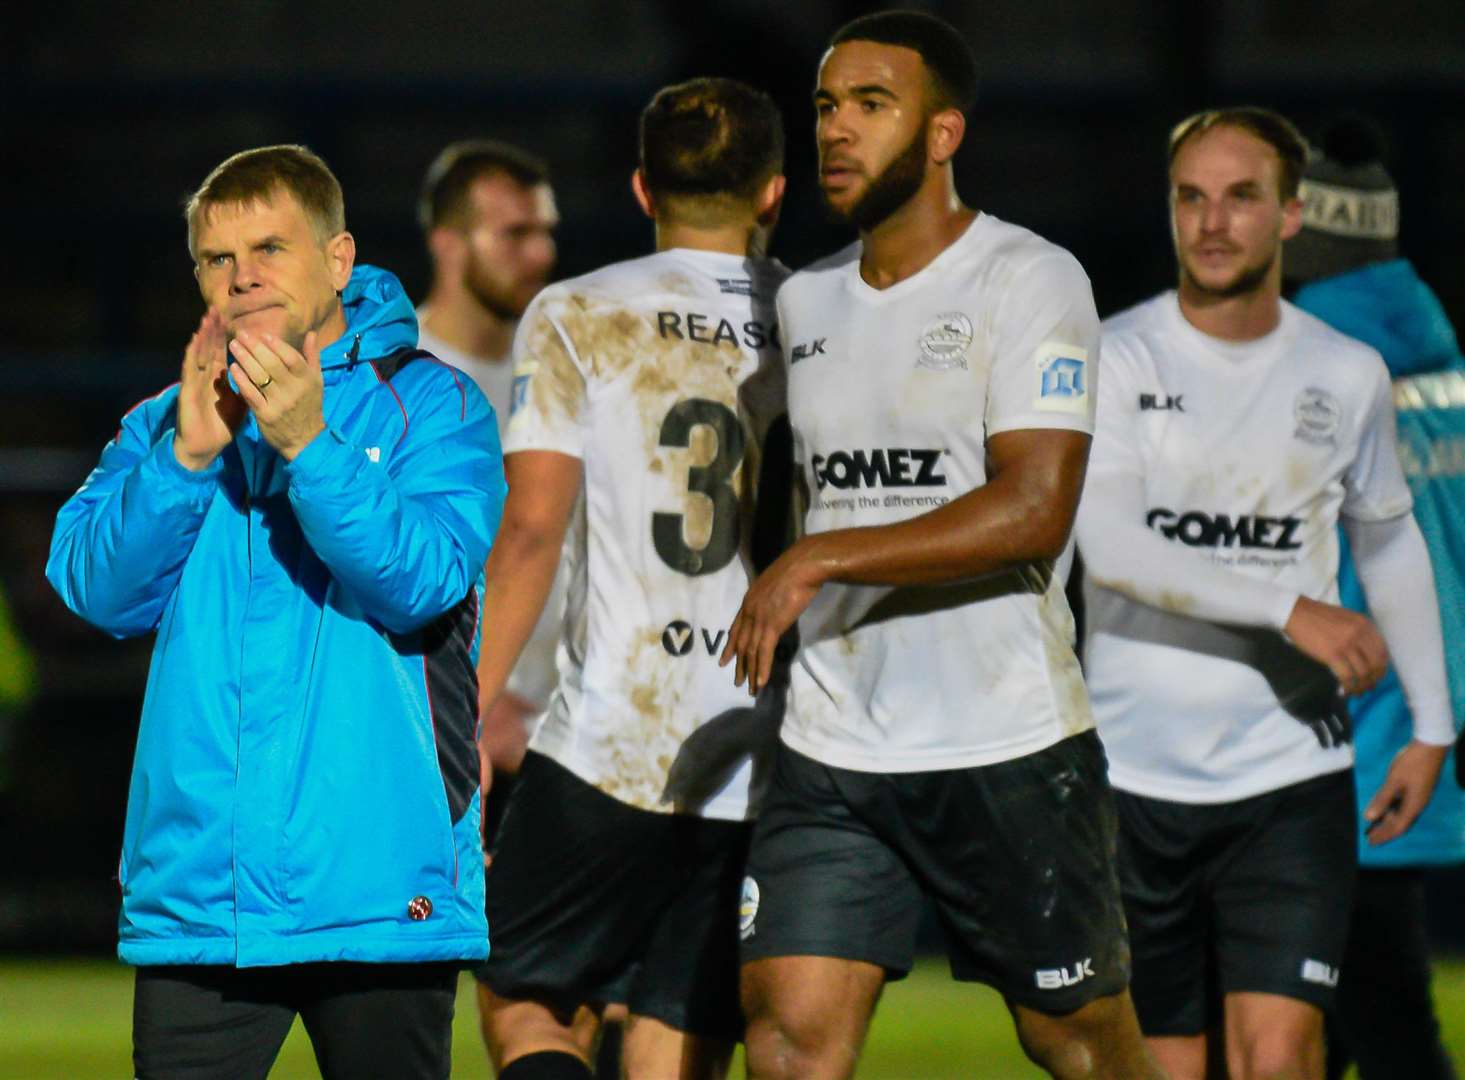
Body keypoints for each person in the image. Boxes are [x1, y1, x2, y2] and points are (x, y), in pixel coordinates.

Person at [719, 13, 1160, 1080]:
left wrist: (818, 560)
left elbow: (1033, 509)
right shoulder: (807, 300)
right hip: (832, 745)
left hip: (1002, 740)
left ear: (943, 132)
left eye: (872, 106)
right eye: (826, 106)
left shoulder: (1029, 278)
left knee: (1078, 1041)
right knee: (786, 1038)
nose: (836, 130)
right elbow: (779, 496)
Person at [46, 145, 505, 1080]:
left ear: (337, 261)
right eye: (217, 259)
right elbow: (93, 592)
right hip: (202, 897)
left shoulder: (433, 404)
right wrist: (183, 461)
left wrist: (310, 446)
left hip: (378, 885)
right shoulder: (161, 424)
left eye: (269, 248)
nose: (242, 276)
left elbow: (421, 582)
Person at [1074, 108, 1453, 1080]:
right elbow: (1109, 544)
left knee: (1278, 1058)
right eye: (1189, 198)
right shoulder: (1114, 357)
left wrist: (1432, 726)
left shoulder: (1345, 369)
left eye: (1240, 197)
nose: (1211, 222)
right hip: (1132, 782)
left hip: (1289, 778)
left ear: (1290, 215)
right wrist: (1292, 610)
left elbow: (1390, 534)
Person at [472, 77, 790, 1080]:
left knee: (524, 999)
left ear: (643, 187)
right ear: (774, 193)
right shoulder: (824, 318)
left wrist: (457, 711)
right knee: (669, 1033)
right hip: (764, 749)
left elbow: (529, 530)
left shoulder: (578, 312)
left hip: (614, 734)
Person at [1283, 115, 1465, 1080]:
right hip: (1420, 736)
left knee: (1368, 1027)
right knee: (1350, 1023)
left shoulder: (1312, 371)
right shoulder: (1444, 364)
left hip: (1336, 751)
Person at [415, 140, 563, 836]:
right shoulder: (392, 380)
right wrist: (472, 698)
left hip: (564, 739)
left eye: (544, 233)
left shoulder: (568, 372)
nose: (539, 255)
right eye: (514, 234)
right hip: (450, 735)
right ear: (448, 243)